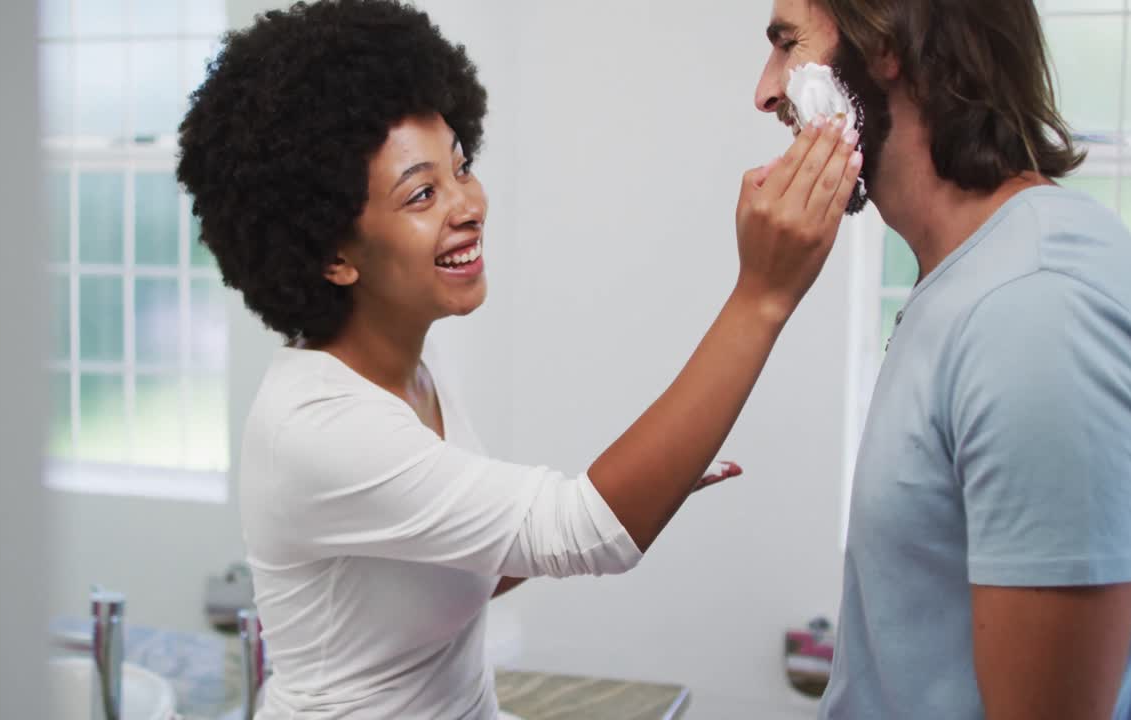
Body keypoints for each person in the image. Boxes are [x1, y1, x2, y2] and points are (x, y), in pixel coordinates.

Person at [177, 1, 859, 717]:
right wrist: (762, 293)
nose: (467, 205)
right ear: (332, 253)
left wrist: (655, 484)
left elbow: (467, 565)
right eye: (421, 194)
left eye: (461, 169)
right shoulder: (316, 428)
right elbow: (580, 530)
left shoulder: (414, 366)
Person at [753, 1, 1131, 718]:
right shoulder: (966, 275)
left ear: (886, 43)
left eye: (786, 45)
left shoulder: (1036, 306)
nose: (766, 90)